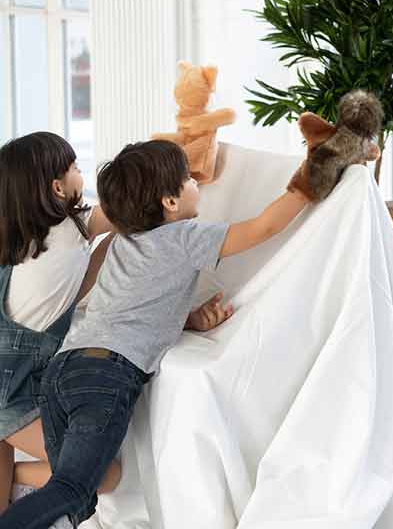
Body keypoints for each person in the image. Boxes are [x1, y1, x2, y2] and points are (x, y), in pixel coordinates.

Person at [0, 140, 311, 528]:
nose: (196, 183)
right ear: (169, 202)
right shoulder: (184, 237)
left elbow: (133, 308)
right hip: (101, 378)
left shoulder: (117, 243)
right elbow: (264, 227)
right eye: (187, 179)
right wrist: (308, 181)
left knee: (95, 481)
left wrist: (189, 318)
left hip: (63, 373)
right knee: (73, 488)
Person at [0, 133, 121, 518]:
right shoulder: (69, 231)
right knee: (105, 474)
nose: (80, 174)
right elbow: (130, 208)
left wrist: (102, 251)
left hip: (14, 389)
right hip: (9, 398)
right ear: (57, 187)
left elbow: (68, 292)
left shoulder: (19, 244)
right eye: (75, 168)